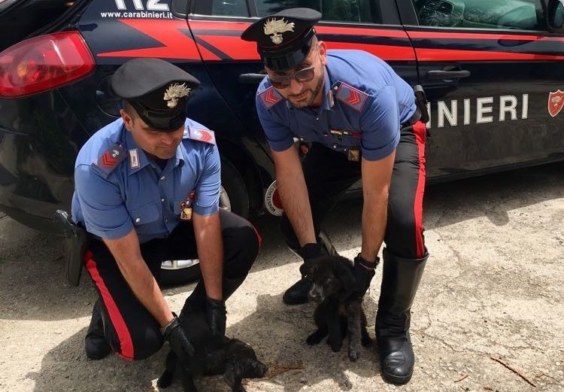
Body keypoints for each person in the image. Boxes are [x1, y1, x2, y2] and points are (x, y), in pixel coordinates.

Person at [241, 8, 428, 385]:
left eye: (304, 73)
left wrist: (366, 265)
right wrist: (313, 256)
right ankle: (329, 281)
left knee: (404, 223)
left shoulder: (366, 94)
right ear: (267, 73)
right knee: (294, 225)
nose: (294, 89)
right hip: (334, 141)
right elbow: (289, 175)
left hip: (393, 136)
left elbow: (376, 192)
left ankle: (393, 325)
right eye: (281, 78)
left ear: (322, 53)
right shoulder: (269, 100)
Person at [71, 58, 260, 365]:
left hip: (166, 226)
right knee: (141, 344)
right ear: (127, 121)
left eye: (176, 125)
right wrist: (167, 325)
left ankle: (195, 319)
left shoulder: (201, 145)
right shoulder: (97, 168)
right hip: (114, 243)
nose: (169, 139)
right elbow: (128, 257)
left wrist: (214, 303)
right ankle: (105, 312)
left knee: (243, 238)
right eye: (153, 130)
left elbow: (205, 225)